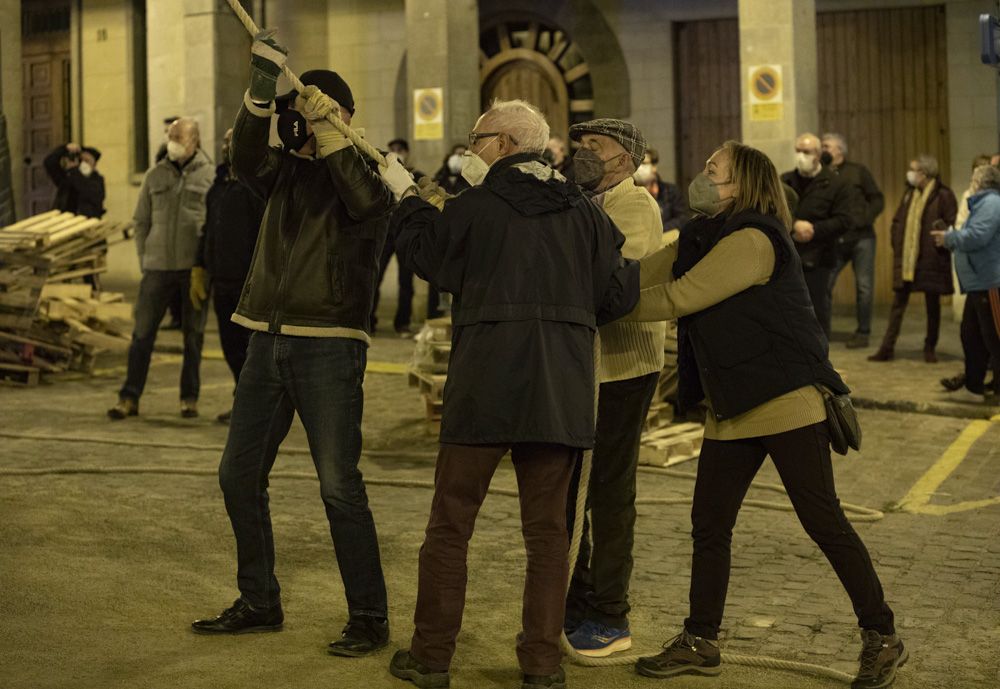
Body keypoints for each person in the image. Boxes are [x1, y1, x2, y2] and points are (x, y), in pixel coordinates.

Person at [377, 98, 639, 689]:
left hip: (483, 389)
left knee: (450, 525)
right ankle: (542, 666)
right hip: (559, 390)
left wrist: (412, 207)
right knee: (549, 537)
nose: (472, 148)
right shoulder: (585, 212)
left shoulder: (476, 207)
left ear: (506, 144)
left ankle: (431, 658)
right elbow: (618, 295)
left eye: (479, 138)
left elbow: (430, 260)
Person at [624, 140, 904, 689]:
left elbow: (680, 297)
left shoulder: (751, 239)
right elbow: (644, 274)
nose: (703, 176)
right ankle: (701, 639)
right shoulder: (704, 236)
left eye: (714, 170)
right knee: (709, 524)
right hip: (733, 404)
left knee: (824, 522)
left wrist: (599, 308)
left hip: (784, 400)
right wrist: (594, 282)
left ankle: (882, 635)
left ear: (742, 183)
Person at [190, 33, 393, 659]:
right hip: (265, 341)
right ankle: (259, 601)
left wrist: (330, 129)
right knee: (237, 475)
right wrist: (260, 86)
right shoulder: (286, 173)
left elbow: (363, 201)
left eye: (319, 111)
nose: (303, 124)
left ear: (343, 116)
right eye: (301, 114)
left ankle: (368, 618)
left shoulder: (374, 171)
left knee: (338, 486)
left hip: (330, 344)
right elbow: (245, 159)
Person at [562, 118, 666, 657]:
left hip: (622, 367)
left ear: (623, 159)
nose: (582, 154)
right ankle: (572, 600)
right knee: (569, 490)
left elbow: (614, 281)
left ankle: (610, 613)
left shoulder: (634, 205)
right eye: (579, 145)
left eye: (594, 147)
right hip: (582, 367)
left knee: (608, 489)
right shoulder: (580, 200)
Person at [107, 117, 212, 420]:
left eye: (179, 136)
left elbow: (212, 224)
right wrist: (145, 258)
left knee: (193, 336)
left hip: (192, 271)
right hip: (157, 269)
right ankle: (129, 398)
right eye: (170, 136)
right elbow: (141, 221)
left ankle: (189, 398)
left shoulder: (209, 176)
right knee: (142, 335)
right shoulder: (155, 175)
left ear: (195, 140)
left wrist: (205, 265)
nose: (173, 141)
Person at [189, 128, 266, 423]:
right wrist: (200, 265)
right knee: (230, 346)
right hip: (221, 280)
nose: (226, 146)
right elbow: (209, 230)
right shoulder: (218, 186)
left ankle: (253, 409)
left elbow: (264, 235)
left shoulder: (256, 185)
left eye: (232, 141)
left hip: (248, 282)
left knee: (250, 350)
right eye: (223, 141)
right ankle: (242, 400)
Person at [869, 155, 956, 363]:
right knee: (898, 304)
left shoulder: (943, 195)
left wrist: (941, 235)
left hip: (931, 258)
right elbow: (898, 220)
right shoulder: (909, 194)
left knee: (932, 305)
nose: (910, 173)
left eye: (913, 169)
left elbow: (951, 223)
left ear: (924, 174)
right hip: (907, 259)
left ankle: (929, 347)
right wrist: (896, 241)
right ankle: (886, 348)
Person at [781, 132, 863, 338]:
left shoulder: (836, 184)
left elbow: (845, 220)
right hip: (789, 256)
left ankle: (818, 359)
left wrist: (814, 230)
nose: (801, 156)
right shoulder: (785, 181)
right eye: (798, 151)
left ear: (818, 154)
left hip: (820, 257)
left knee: (817, 310)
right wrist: (794, 226)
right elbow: (774, 211)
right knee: (788, 312)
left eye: (806, 151)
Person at [933, 164, 1000, 403]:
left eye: (973, 178)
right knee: (972, 335)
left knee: (993, 337)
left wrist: (950, 237)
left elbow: (978, 236)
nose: (970, 182)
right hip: (977, 282)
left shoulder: (991, 203)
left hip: (989, 282)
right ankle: (974, 386)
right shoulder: (981, 204)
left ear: (981, 182)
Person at [372, 139, 441, 336]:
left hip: (404, 232)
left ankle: (402, 323)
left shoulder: (416, 176)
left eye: (400, 150)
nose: (396, 153)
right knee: (375, 276)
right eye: (392, 149)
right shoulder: (383, 174)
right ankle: (370, 320)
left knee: (406, 281)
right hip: (385, 233)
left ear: (408, 152)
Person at [822, 133, 885, 348]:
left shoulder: (858, 172)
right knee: (824, 284)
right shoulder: (823, 174)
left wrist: (865, 218)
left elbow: (877, 198)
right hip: (835, 239)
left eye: (827, 146)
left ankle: (863, 332)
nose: (823, 149)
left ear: (840, 149)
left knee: (864, 287)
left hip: (862, 238)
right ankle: (822, 331)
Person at [42, 142, 106, 218]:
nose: (83, 164)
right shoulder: (67, 177)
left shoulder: (97, 180)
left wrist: (74, 170)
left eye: (87, 161)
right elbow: (49, 162)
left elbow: (87, 190)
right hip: (63, 220)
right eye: (81, 160)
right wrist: (65, 148)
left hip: (85, 222)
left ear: (94, 164)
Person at [642, 148, 687, 231]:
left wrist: (658, 230)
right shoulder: (627, 194)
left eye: (644, 163)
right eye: (636, 164)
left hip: (665, 239)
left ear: (654, 167)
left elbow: (681, 219)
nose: (639, 168)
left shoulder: (670, 192)